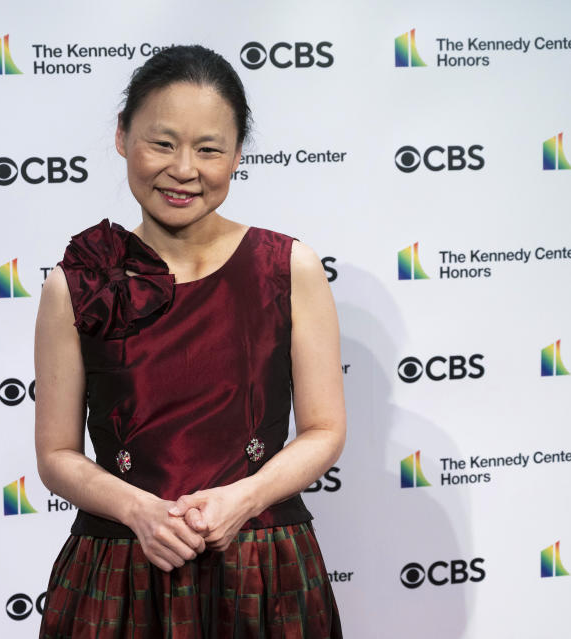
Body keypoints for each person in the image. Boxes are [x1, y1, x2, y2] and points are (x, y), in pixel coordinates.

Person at [34, 44, 345, 638]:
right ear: (123, 137)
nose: (184, 169)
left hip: (264, 567)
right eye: (162, 142)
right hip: (121, 569)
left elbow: (325, 430)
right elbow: (55, 456)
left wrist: (245, 499)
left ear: (236, 157)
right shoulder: (75, 284)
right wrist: (138, 511)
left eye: (209, 150)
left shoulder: (288, 267)